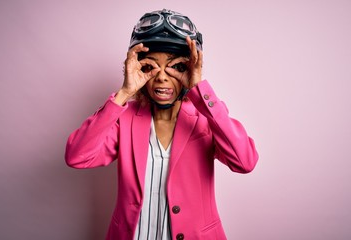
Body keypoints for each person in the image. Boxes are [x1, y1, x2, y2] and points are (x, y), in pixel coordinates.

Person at [65, 9, 258, 240]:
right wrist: (124, 93)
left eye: (176, 66)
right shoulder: (124, 119)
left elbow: (245, 161)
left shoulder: (207, 117)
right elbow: (77, 156)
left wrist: (200, 90)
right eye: (150, 66)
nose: (162, 77)